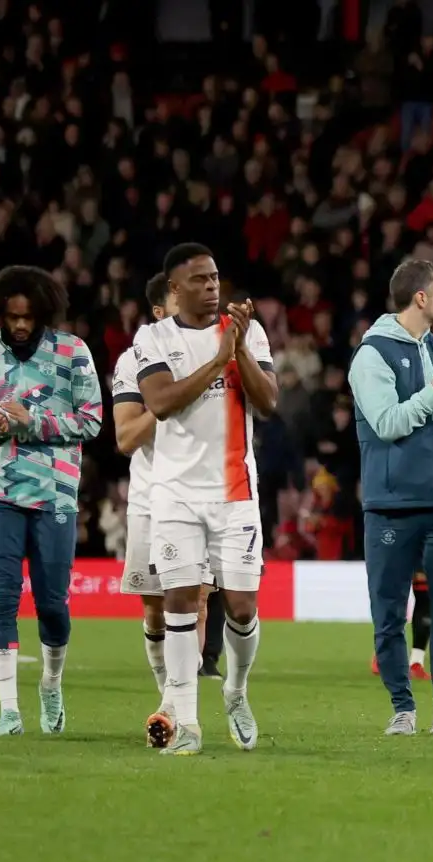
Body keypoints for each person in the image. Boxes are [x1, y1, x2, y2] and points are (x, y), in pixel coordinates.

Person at [133, 243, 278, 754]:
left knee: (240, 606)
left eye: (216, 277)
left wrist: (235, 349)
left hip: (234, 493)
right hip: (173, 493)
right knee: (179, 600)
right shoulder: (152, 337)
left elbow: (269, 402)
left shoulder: (249, 333)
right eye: (200, 279)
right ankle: (188, 723)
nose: (213, 286)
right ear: (174, 289)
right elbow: (161, 404)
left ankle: (236, 691)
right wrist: (218, 361)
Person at [349, 257, 433, 738]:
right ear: (420, 298)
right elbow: (388, 424)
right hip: (392, 501)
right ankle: (402, 708)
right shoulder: (372, 354)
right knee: (389, 611)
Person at [0, 266, 102, 737]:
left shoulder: (72, 352)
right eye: (12, 317)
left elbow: (91, 421)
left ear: (44, 312)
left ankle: (51, 682)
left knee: (52, 605)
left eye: (28, 316)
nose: (20, 325)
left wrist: (33, 422)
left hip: (55, 493)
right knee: (2, 598)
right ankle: (9, 711)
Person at [112, 273, 218, 739]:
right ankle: (170, 693)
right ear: (160, 312)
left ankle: (172, 708)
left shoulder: (216, 354)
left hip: (209, 496)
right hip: (152, 497)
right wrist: (171, 400)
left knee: (195, 601)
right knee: (156, 609)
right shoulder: (132, 361)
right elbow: (125, 437)